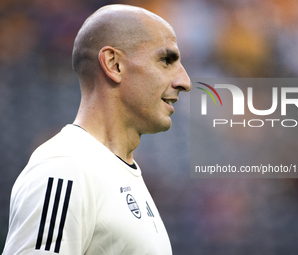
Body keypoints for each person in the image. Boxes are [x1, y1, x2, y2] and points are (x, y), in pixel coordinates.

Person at [2, 4, 191, 255]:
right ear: (113, 64)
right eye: (165, 60)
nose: (185, 82)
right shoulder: (65, 166)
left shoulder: (116, 170)